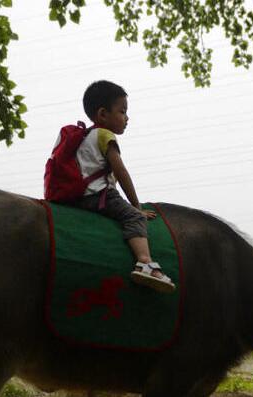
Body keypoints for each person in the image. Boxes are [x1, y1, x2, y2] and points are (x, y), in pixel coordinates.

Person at [72, 80, 175, 294]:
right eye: (122, 111)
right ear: (103, 114)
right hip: (101, 195)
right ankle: (145, 263)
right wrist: (136, 206)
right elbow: (121, 172)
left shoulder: (82, 137)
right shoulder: (104, 135)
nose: (127, 118)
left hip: (78, 198)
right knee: (133, 218)